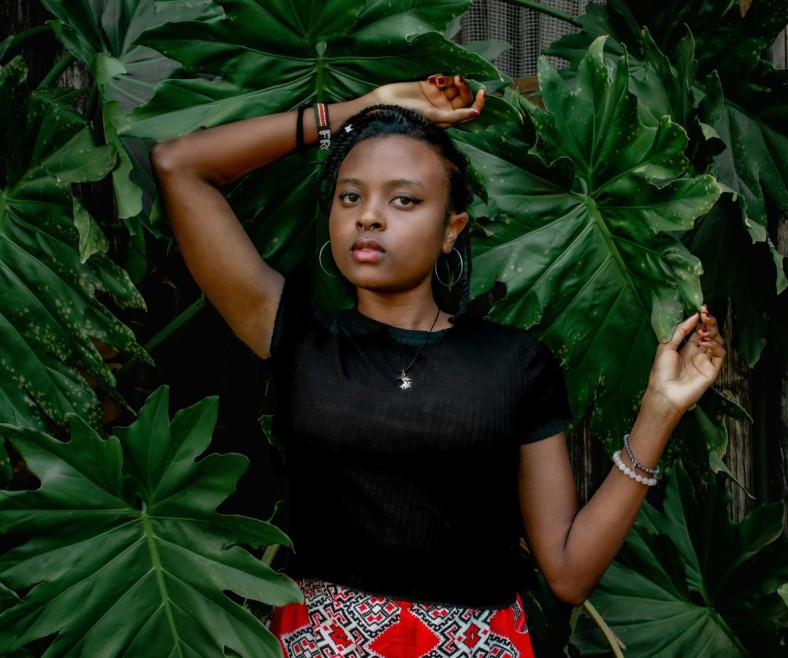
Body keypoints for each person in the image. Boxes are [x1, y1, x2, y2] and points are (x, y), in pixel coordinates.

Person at [150, 74, 725, 657]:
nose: (369, 217)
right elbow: (179, 164)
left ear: (452, 229)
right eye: (351, 197)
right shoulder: (298, 336)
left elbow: (569, 575)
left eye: (404, 199)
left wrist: (659, 411)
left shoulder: (513, 364)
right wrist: (361, 108)